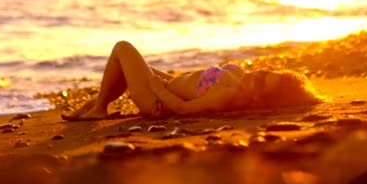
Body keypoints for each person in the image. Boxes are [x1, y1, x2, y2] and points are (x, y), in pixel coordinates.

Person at [62, 41, 322, 121]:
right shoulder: (240, 80)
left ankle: (98, 109)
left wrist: (156, 88)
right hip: (167, 85)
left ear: (258, 97)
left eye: (262, 81)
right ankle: (96, 104)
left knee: (123, 48)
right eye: (266, 71)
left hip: (157, 102)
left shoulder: (229, 94)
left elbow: (183, 109)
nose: (259, 73)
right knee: (133, 64)